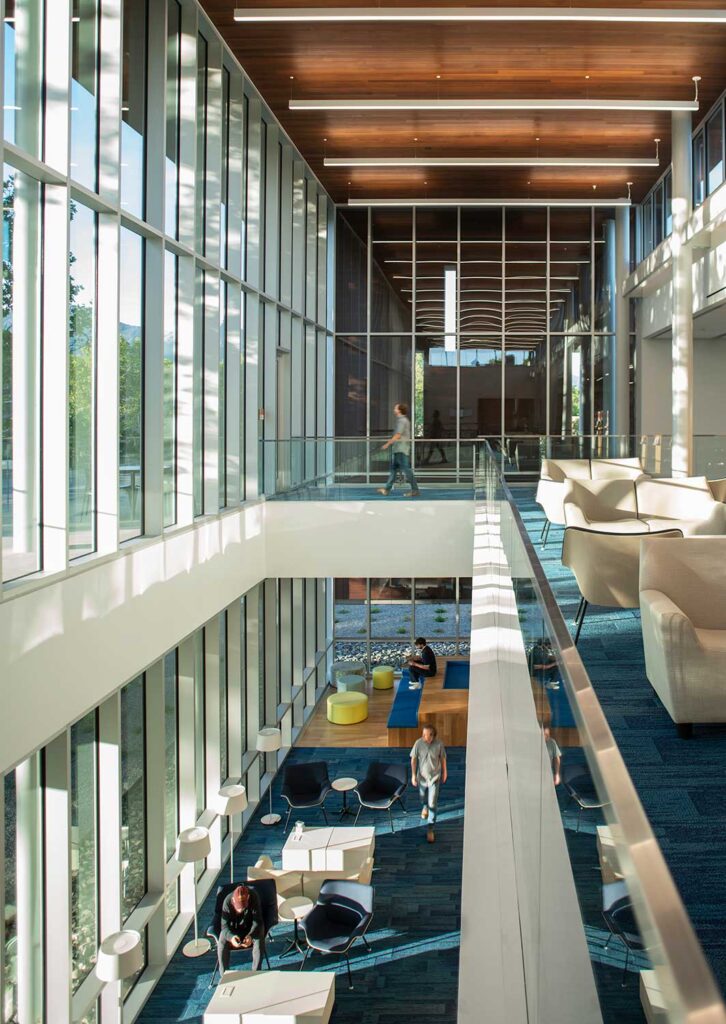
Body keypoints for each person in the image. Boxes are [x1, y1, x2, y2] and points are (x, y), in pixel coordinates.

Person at [216, 883, 266, 975]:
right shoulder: (227, 901)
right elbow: (224, 926)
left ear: (248, 898)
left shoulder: (254, 897)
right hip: (233, 930)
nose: (240, 910)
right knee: (222, 937)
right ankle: (223, 974)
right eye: (238, 907)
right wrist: (231, 937)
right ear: (233, 900)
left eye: (243, 907)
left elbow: (257, 921)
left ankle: (256, 972)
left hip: (249, 928)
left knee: (260, 934)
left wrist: (251, 935)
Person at [410, 724, 447, 843]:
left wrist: (445, 772)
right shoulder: (418, 744)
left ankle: (430, 829)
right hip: (422, 778)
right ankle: (424, 806)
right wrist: (413, 775)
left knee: (433, 803)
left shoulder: (439, 744)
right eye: (425, 734)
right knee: (422, 798)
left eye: (430, 734)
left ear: (434, 735)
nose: (427, 737)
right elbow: (413, 759)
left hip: (434, 778)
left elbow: (443, 759)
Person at [377, 402, 420, 497]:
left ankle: (415, 490)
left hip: (401, 449)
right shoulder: (403, 420)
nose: (394, 410)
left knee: (406, 469)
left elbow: (398, 435)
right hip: (399, 449)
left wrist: (387, 444)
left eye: (395, 408)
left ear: (399, 410)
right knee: (393, 469)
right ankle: (387, 489)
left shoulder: (402, 421)